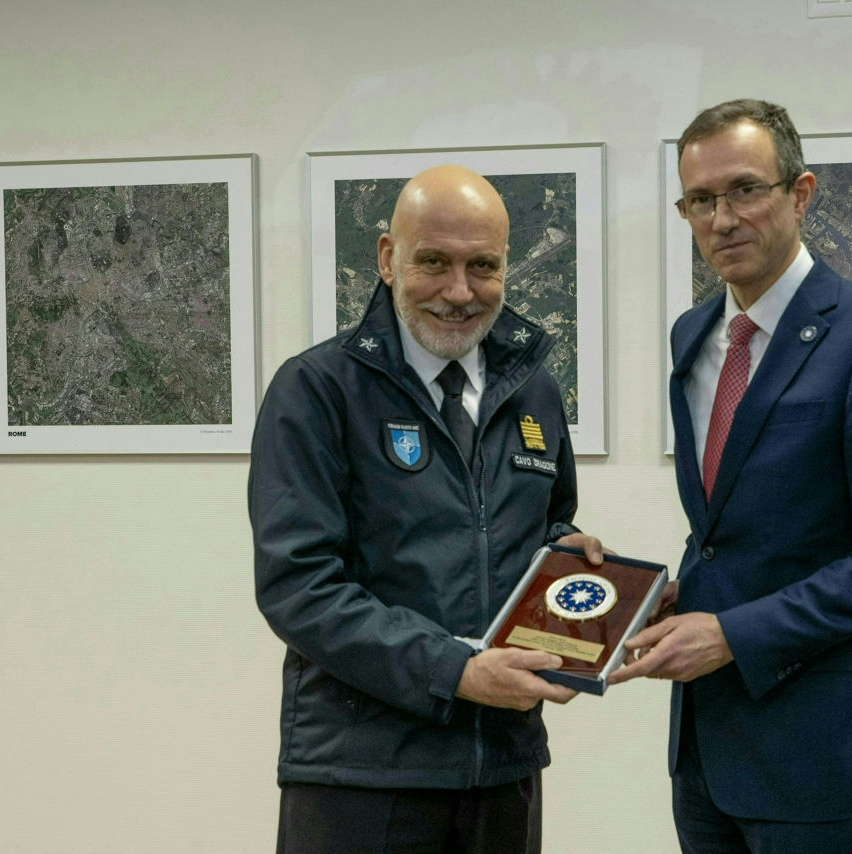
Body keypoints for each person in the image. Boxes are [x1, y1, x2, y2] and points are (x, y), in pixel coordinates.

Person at [608, 99, 852, 853]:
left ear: (800, 194)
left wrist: (733, 632)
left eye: (744, 190)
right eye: (700, 200)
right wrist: (682, 593)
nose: (722, 219)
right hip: (705, 753)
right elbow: (732, 530)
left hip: (821, 755)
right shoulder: (693, 335)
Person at [249, 164, 603, 854]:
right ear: (388, 258)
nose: (460, 291)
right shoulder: (317, 390)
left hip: (503, 764)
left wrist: (574, 561)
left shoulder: (533, 390)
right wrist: (454, 671)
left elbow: (540, 528)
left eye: (483, 266)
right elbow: (299, 586)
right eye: (434, 262)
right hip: (362, 775)